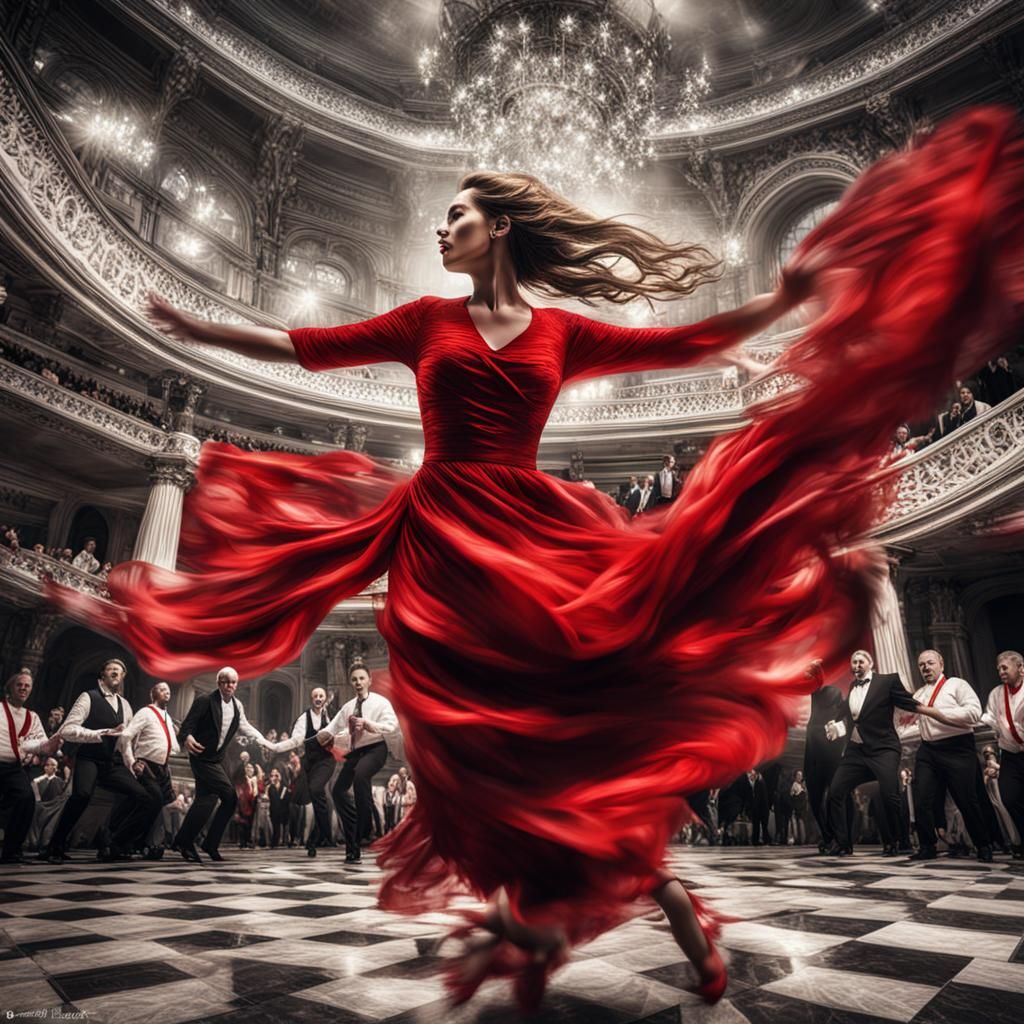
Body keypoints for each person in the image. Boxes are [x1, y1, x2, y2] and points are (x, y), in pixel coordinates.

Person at [46, 110, 1024, 1008]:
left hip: (527, 537)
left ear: (500, 227)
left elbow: (684, 340)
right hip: (438, 545)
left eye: (458, 214)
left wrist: (777, 308)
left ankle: (655, 897)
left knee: (563, 736)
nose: (442, 229)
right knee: (474, 748)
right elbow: (304, 345)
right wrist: (191, 321)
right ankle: (534, 896)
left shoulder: (559, 332)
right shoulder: (424, 322)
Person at [825, 651, 953, 857]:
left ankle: (897, 841)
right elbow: (852, 717)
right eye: (854, 662)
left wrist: (933, 712)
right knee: (835, 792)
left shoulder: (887, 681)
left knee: (889, 794)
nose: (857, 665)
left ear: (870, 663)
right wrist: (835, 725)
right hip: (856, 751)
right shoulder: (851, 687)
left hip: (883, 748)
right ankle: (842, 843)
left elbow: (906, 701)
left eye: (861, 661)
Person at [45, 659, 153, 863]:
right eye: (111, 670)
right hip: (89, 758)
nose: (115, 673)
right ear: (102, 674)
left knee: (142, 796)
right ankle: (55, 845)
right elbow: (67, 730)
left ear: (123, 677)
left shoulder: (126, 706)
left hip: (112, 763)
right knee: (82, 795)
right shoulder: (89, 697)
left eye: (119, 671)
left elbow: (125, 741)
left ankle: (112, 841)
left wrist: (131, 764)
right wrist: (99, 733)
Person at [172, 666, 277, 862]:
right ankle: (197, 843)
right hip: (201, 757)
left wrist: (265, 742)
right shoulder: (204, 701)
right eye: (226, 681)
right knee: (229, 797)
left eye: (233, 682)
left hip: (218, 759)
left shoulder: (237, 706)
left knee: (206, 800)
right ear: (219, 683)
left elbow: (245, 726)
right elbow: (186, 726)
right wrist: (186, 738)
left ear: (237, 684)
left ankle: (187, 842)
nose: (229, 685)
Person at [900, 650, 992, 862]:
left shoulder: (958, 685)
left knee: (966, 799)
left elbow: (973, 713)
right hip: (928, 750)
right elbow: (913, 721)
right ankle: (927, 846)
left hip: (958, 748)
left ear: (941, 663)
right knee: (922, 798)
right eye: (922, 665)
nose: (925, 668)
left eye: (930, 663)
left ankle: (983, 844)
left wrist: (937, 714)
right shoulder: (919, 694)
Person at [316, 665, 398, 864]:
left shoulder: (381, 703)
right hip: (356, 752)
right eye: (354, 680)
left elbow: (392, 726)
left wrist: (369, 724)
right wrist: (320, 736)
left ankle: (366, 828)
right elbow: (332, 727)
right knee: (337, 791)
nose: (358, 683)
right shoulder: (348, 707)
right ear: (351, 683)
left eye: (361, 678)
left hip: (376, 748)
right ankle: (353, 845)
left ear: (369, 680)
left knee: (361, 775)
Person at [1, 671, 62, 863]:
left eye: (27, 686)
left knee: (26, 799)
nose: (23, 688)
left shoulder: (32, 716)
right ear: (9, 688)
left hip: (14, 768)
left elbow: (42, 742)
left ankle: (12, 850)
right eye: (19, 684)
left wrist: (44, 750)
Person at [116, 681, 180, 860]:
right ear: (153, 694)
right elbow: (126, 736)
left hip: (163, 768)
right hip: (146, 765)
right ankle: (119, 841)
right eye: (161, 689)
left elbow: (174, 746)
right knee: (153, 801)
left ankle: (141, 843)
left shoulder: (167, 716)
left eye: (168, 690)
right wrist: (132, 761)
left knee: (155, 806)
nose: (166, 692)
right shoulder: (145, 712)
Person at [276, 686, 336, 857]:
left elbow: (340, 731)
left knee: (317, 790)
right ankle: (314, 840)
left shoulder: (331, 715)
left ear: (325, 698)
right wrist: (277, 747)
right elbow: (296, 740)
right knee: (315, 799)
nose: (318, 698)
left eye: (321, 695)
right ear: (311, 698)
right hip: (310, 763)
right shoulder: (304, 718)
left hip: (326, 761)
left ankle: (323, 834)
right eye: (315, 695)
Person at [981, 651, 1024, 859]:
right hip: (1010, 754)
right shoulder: (996, 694)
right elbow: (989, 721)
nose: (1000, 671)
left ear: (1021, 668)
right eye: (998, 668)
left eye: (1005, 667)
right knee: (1009, 797)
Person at [805, 670, 848, 851]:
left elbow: (846, 719)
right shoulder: (802, 697)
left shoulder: (832, 693)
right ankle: (828, 836)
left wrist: (838, 729)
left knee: (836, 797)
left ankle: (841, 840)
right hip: (812, 754)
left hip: (831, 753)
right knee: (815, 799)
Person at [266, 767, 290, 847]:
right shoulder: (270, 787)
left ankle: (285, 841)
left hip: (284, 810)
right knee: (276, 827)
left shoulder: (284, 786)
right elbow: (273, 798)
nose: (274, 777)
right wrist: (272, 783)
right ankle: (275, 842)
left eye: (276, 775)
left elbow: (286, 797)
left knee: (285, 826)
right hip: (274, 810)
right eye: (272, 775)